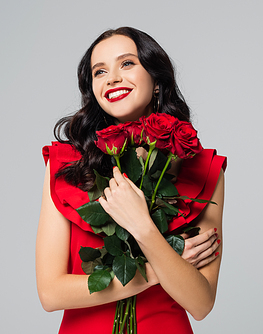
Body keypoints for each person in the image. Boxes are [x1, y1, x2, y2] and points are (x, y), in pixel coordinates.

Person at [36, 27, 226, 334]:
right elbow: (50, 292)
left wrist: (143, 227)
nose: (111, 77)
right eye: (100, 71)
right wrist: (157, 269)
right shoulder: (65, 165)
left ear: (156, 81)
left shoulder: (201, 169)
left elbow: (201, 303)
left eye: (127, 63)